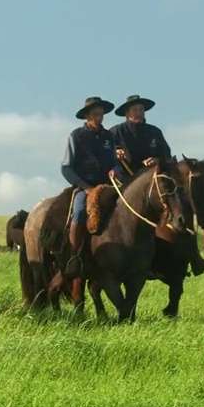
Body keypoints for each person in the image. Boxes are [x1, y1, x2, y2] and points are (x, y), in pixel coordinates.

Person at [110, 94, 204, 276]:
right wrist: (116, 155)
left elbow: (168, 157)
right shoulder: (116, 132)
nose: (138, 113)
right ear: (127, 113)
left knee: (182, 208)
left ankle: (194, 258)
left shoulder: (154, 132)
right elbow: (106, 155)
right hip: (127, 183)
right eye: (134, 110)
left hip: (156, 184)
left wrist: (157, 159)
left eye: (141, 109)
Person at [60, 96, 123, 274]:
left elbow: (114, 162)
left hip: (107, 186)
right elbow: (65, 167)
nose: (99, 117)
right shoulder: (76, 136)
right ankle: (74, 255)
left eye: (101, 114)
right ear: (87, 115)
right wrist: (84, 186)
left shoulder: (109, 137)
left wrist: (115, 169)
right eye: (95, 114)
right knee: (79, 210)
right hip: (84, 186)